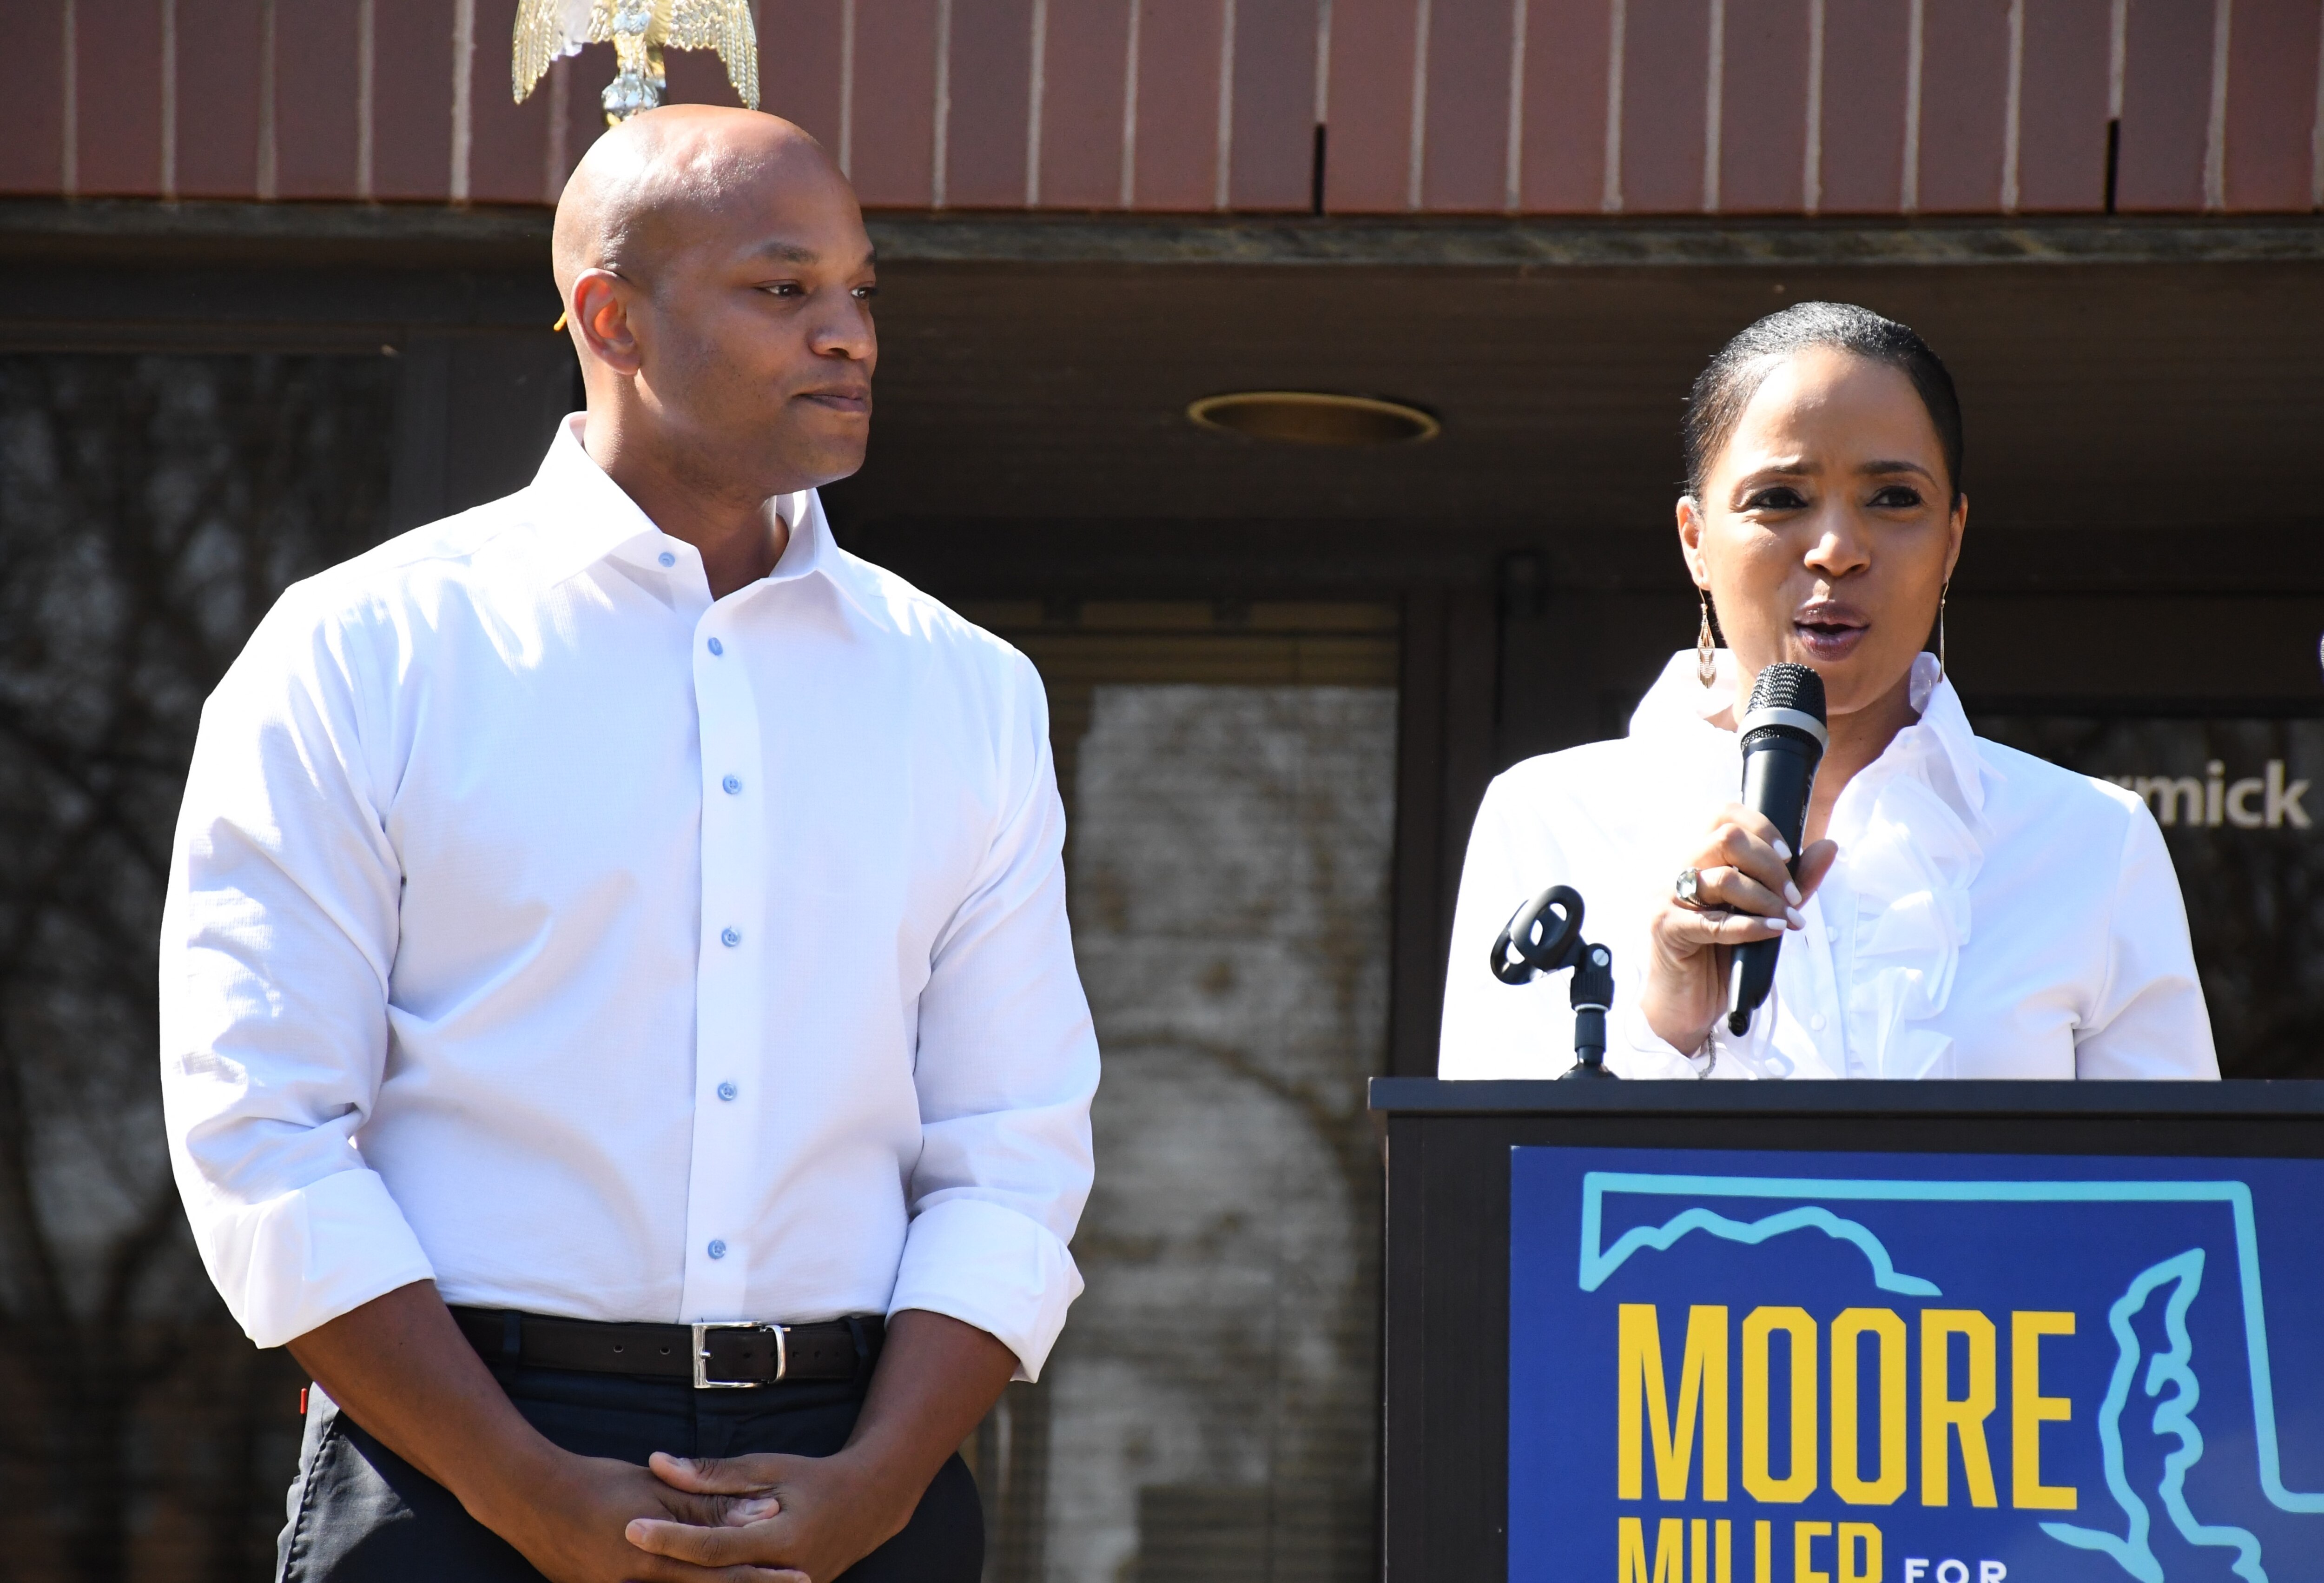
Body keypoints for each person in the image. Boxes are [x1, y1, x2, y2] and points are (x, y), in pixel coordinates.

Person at [159, 106, 1098, 1582]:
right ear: (613, 316)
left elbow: (1015, 1149)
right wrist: (522, 1486)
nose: (849, 334)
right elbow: (261, 1133)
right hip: (454, 1460)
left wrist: (881, 1481)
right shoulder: (361, 650)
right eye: (785, 290)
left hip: (859, 1471)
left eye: (863, 292)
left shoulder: (968, 689)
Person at [1439, 301, 2216, 1081]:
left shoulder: (2093, 842)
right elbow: (1487, 1190)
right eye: (1779, 498)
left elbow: (2173, 1195)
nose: (1838, 550)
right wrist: (1665, 1029)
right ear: (1695, 540)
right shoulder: (1548, 818)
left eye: (1894, 498)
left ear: (1952, 538)